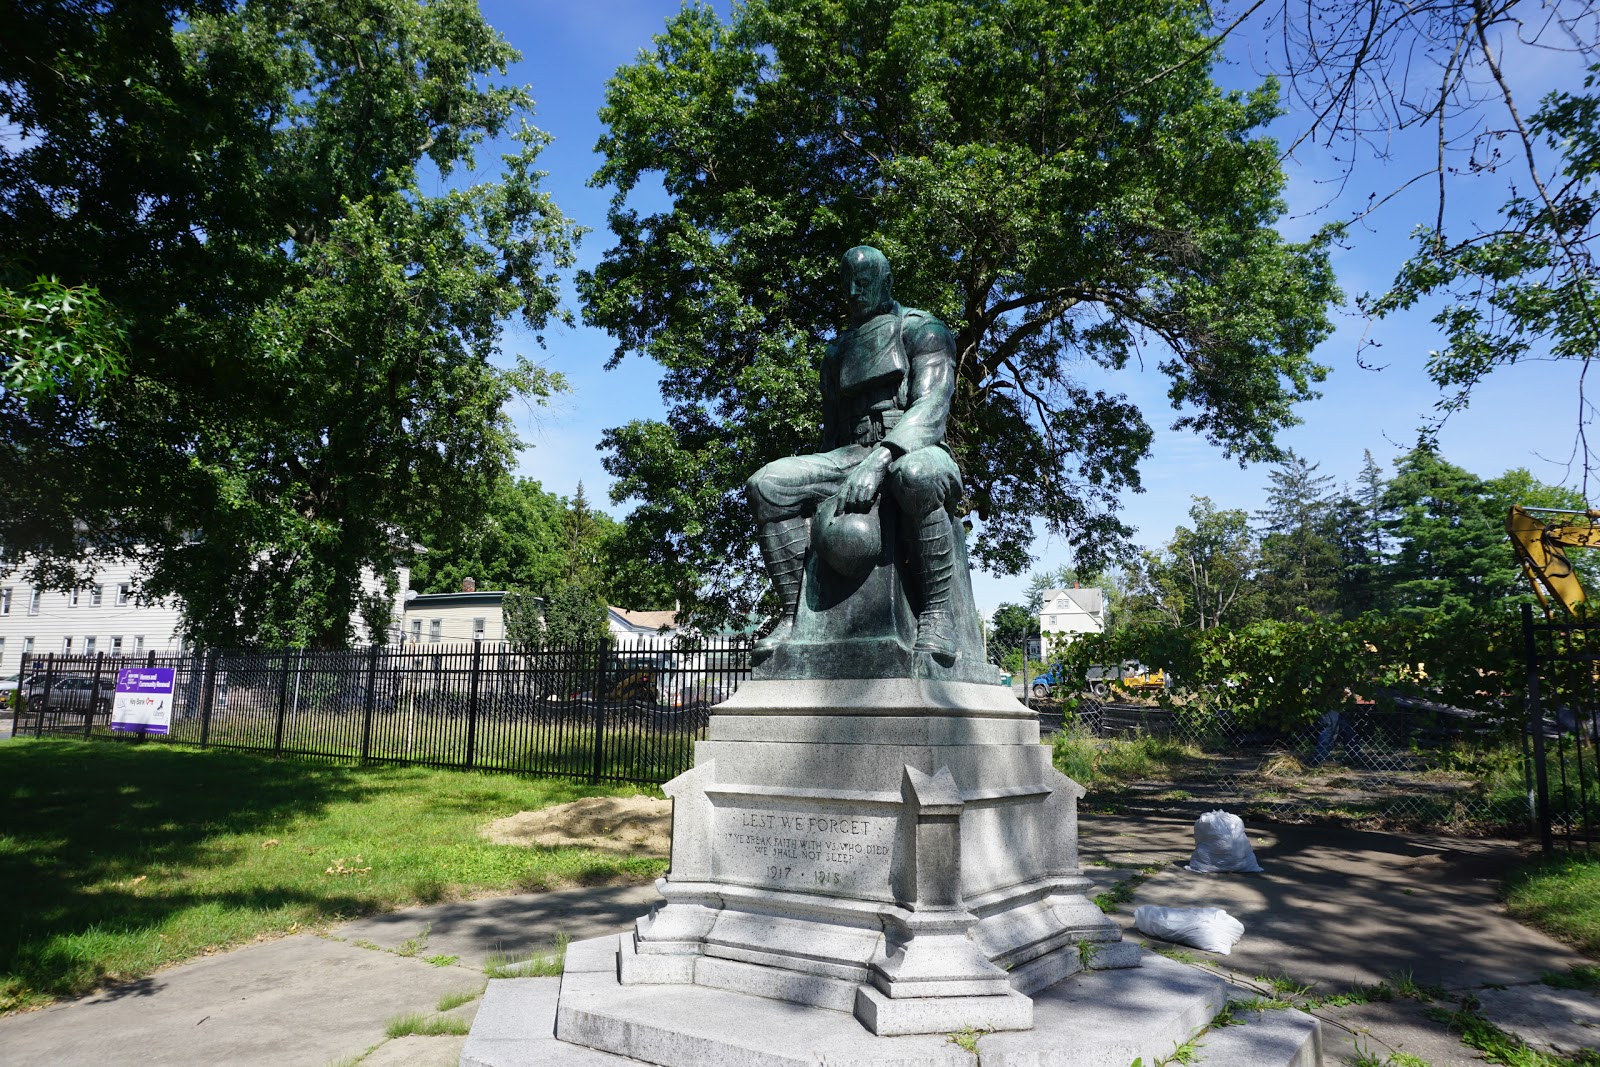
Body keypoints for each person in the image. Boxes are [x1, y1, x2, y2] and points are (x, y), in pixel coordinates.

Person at [746, 246, 963, 658]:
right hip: (851, 452)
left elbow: (931, 407)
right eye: (847, 286)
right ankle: (794, 616)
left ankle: (937, 615)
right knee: (768, 484)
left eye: (864, 283)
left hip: (918, 446)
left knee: (916, 475)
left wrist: (880, 460)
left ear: (886, 281)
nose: (854, 292)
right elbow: (832, 433)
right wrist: (823, 489)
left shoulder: (924, 330)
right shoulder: (838, 351)